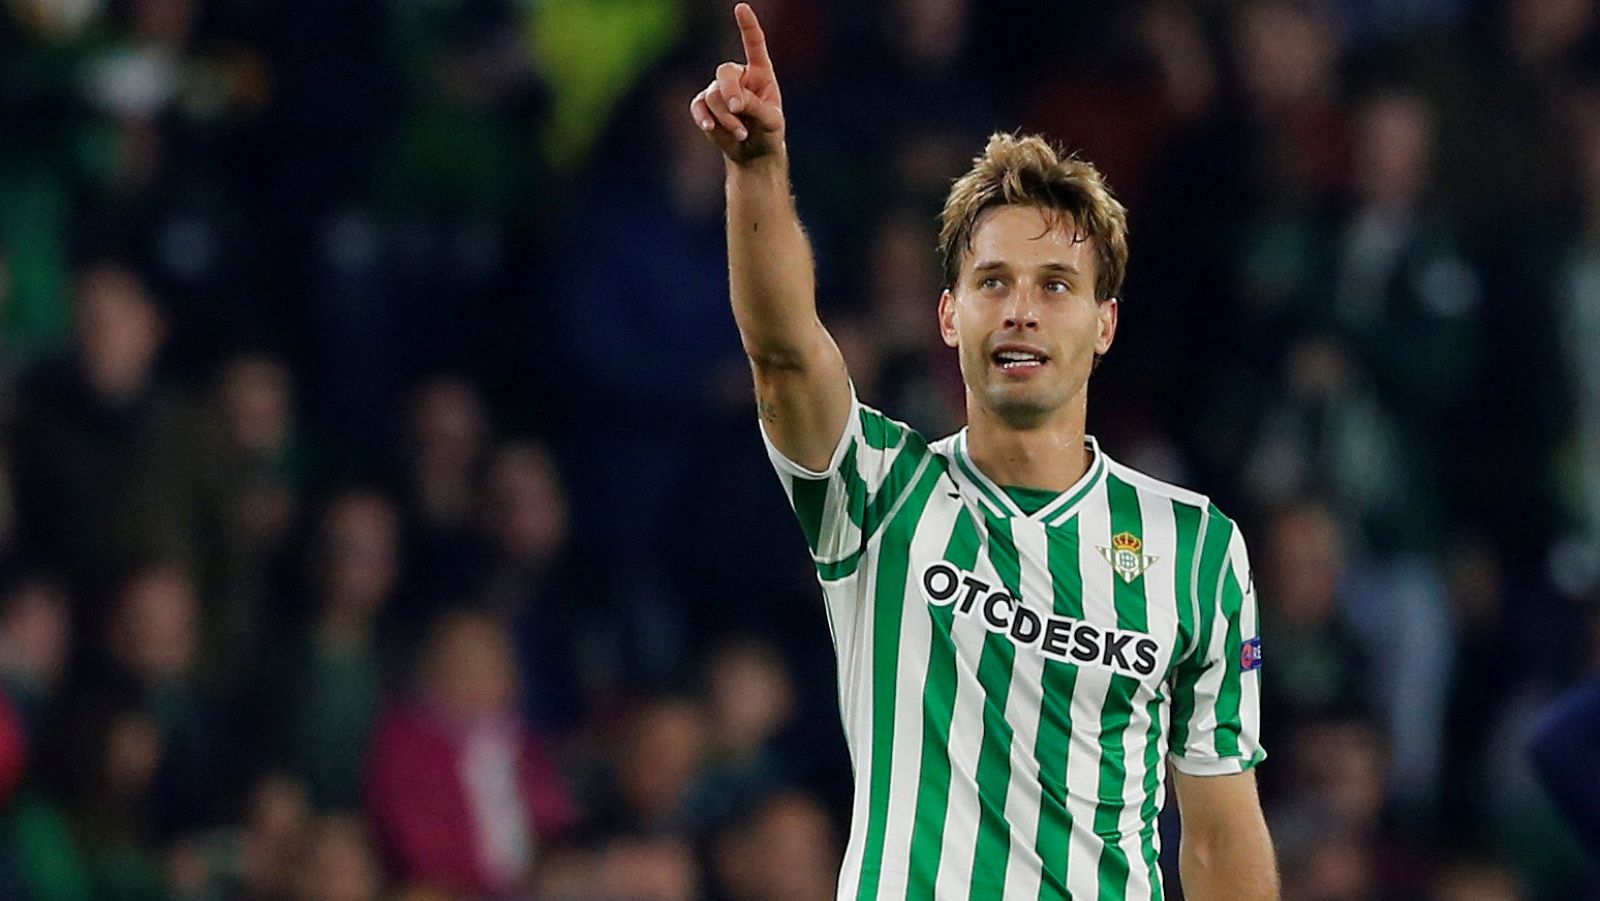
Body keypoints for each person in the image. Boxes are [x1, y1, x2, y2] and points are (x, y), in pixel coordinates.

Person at [688, 6, 1276, 899]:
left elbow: (1222, 838)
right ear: (948, 316)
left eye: (1056, 285)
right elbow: (783, 355)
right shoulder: (880, 491)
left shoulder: (1196, 548)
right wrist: (758, 170)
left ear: (1104, 323)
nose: (1021, 310)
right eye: (992, 281)